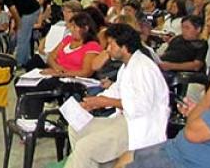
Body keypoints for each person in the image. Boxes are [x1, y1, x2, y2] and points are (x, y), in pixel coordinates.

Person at [127, 41, 210, 168]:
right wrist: (197, 111)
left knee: (126, 158)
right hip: (180, 152)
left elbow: (192, 133)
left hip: (182, 161)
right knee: (127, 157)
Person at [62, 24, 169, 168]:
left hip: (138, 127)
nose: (107, 49)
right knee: (76, 127)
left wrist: (106, 101)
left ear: (124, 47)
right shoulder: (126, 66)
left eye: (111, 45)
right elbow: (116, 91)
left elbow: (141, 106)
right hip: (123, 120)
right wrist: (92, 103)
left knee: (84, 147)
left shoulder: (144, 67)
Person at [16, 13, 101, 118]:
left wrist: (60, 73)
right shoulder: (68, 40)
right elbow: (51, 56)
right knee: (20, 82)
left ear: (85, 28)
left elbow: (86, 72)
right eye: (71, 26)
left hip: (71, 79)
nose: (71, 29)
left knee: (36, 87)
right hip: (56, 73)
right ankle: (26, 116)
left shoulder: (92, 46)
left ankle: (33, 120)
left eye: (74, 27)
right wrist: (56, 68)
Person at [0, 0, 40, 67]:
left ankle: (19, 62)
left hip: (30, 12)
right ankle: (26, 61)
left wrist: (18, 24)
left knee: (21, 38)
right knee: (25, 38)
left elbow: (14, 11)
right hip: (31, 10)